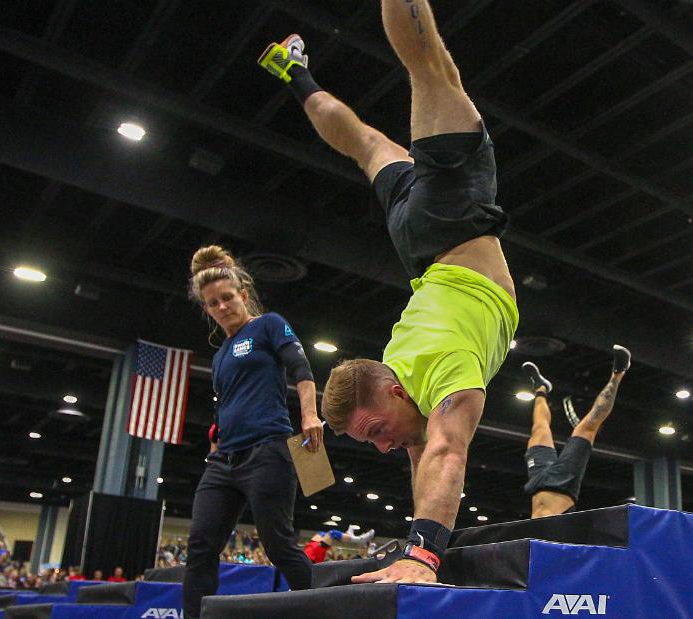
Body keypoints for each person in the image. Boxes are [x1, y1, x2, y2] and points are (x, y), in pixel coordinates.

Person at [259, 0, 517, 585]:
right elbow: (424, 455)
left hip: (451, 220)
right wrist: (413, 545)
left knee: (430, 68)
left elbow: (449, 452)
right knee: (366, 144)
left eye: (373, 431)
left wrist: (425, 558)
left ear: (395, 390)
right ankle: (293, 70)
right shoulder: (402, 389)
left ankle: (299, 70)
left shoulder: (447, 370)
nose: (381, 446)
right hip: (417, 240)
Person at [182, 246, 320, 617]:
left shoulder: (268, 325)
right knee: (200, 546)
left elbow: (301, 369)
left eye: (228, 298)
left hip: (267, 452)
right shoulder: (219, 355)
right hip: (223, 462)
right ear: (207, 309)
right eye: (213, 303)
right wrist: (216, 436)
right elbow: (226, 402)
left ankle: (329, 609)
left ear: (243, 295)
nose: (223, 306)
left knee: (278, 545)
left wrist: (310, 415)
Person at [521, 346, 629, 518]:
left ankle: (540, 388)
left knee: (539, 430)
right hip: (564, 482)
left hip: (537, 482)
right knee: (586, 428)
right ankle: (619, 372)